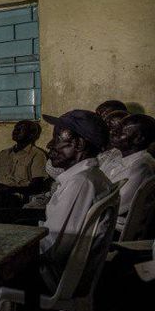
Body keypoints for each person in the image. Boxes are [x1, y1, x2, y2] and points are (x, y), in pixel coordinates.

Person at [39, 110, 110, 275]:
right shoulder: (92, 176)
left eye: (57, 138)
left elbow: (52, 247)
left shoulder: (80, 183)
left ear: (79, 145)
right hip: (62, 270)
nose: (50, 145)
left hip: (52, 275)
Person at [107, 114, 155, 233]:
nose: (112, 133)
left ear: (138, 138)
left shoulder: (142, 166)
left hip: (114, 232)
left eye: (120, 131)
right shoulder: (118, 157)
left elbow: (115, 205)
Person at [97, 109, 129, 179]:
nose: (110, 132)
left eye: (113, 129)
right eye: (105, 127)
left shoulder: (122, 157)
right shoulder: (101, 149)